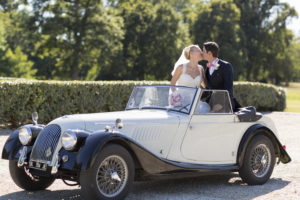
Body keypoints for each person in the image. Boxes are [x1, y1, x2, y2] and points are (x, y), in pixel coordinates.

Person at [170, 45, 209, 112]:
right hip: (180, 103)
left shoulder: (201, 69)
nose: (201, 52)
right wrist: (176, 98)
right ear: (191, 53)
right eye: (198, 51)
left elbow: (205, 86)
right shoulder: (181, 67)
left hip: (195, 103)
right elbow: (172, 84)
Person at [202, 41, 240, 112]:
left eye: (203, 51)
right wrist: (197, 99)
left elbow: (228, 88)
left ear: (209, 53)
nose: (202, 53)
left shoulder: (226, 66)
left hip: (225, 105)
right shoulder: (208, 68)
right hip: (211, 102)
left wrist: (221, 104)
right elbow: (208, 88)